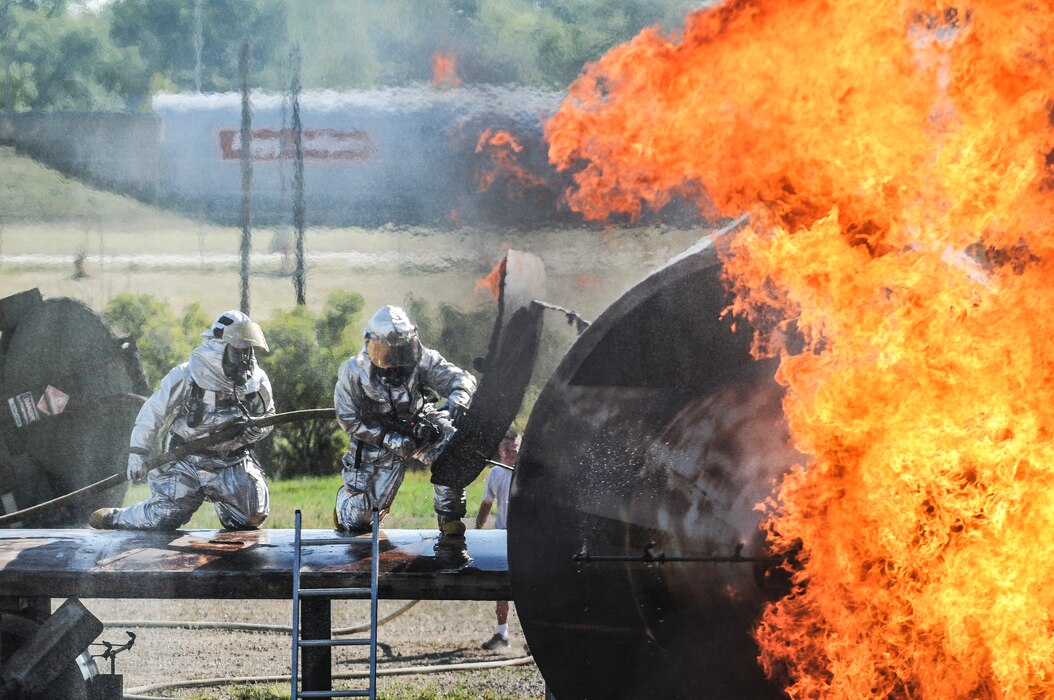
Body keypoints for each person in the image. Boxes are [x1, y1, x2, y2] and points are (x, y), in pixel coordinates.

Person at [90, 310, 275, 530]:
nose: (245, 357)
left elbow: (269, 415)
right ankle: (114, 517)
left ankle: (226, 506)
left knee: (251, 518)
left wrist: (257, 431)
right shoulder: (186, 375)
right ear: (219, 347)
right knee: (162, 518)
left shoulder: (257, 381)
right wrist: (138, 453)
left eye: (248, 350)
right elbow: (153, 412)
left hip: (232, 462)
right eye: (239, 350)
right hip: (186, 460)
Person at [333, 305, 476, 546]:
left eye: (397, 352)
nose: (390, 359)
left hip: (419, 422)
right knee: (359, 520)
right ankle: (345, 506)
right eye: (383, 351)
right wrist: (387, 438)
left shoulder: (422, 358)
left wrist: (459, 396)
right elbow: (349, 419)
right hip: (375, 439)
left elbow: (460, 378)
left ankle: (450, 517)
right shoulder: (352, 371)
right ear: (369, 344)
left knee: (452, 445)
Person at [477, 430, 519, 651]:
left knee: (527, 586)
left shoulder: (526, 474)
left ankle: (534, 639)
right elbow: (486, 504)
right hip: (502, 534)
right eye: (507, 450)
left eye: (515, 450)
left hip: (524, 536)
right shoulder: (494, 474)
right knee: (503, 585)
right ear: (500, 451)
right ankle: (502, 634)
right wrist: (476, 531)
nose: (511, 454)